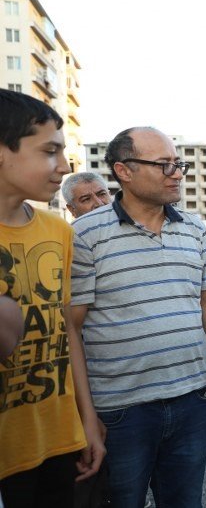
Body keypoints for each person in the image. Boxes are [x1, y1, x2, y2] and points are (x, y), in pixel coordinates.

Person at [69, 126, 206, 508]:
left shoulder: (195, 228)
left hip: (191, 401)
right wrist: (86, 415)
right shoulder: (85, 235)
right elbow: (71, 329)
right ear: (124, 171)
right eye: (163, 165)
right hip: (120, 410)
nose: (177, 172)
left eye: (177, 163)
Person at [0, 90, 104, 507]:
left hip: (58, 437)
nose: (63, 167)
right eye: (49, 151)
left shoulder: (58, 231)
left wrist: (87, 420)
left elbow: (66, 330)